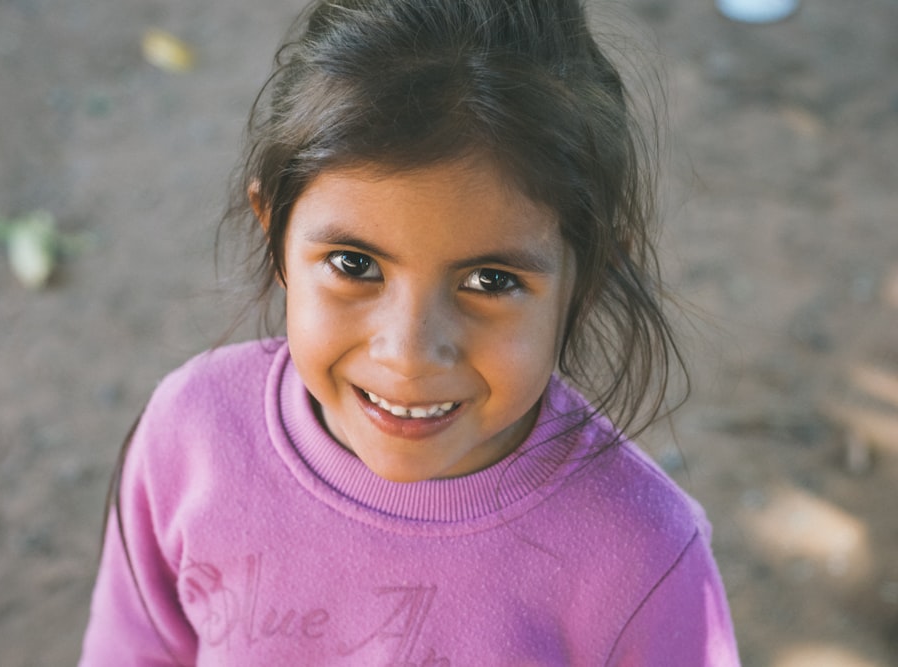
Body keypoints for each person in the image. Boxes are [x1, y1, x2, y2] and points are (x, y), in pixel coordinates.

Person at [79, 0, 741, 664]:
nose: (409, 352)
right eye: (354, 265)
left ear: (589, 275)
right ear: (274, 234)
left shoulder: (641, 554)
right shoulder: (191, 438)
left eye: (489, 280)